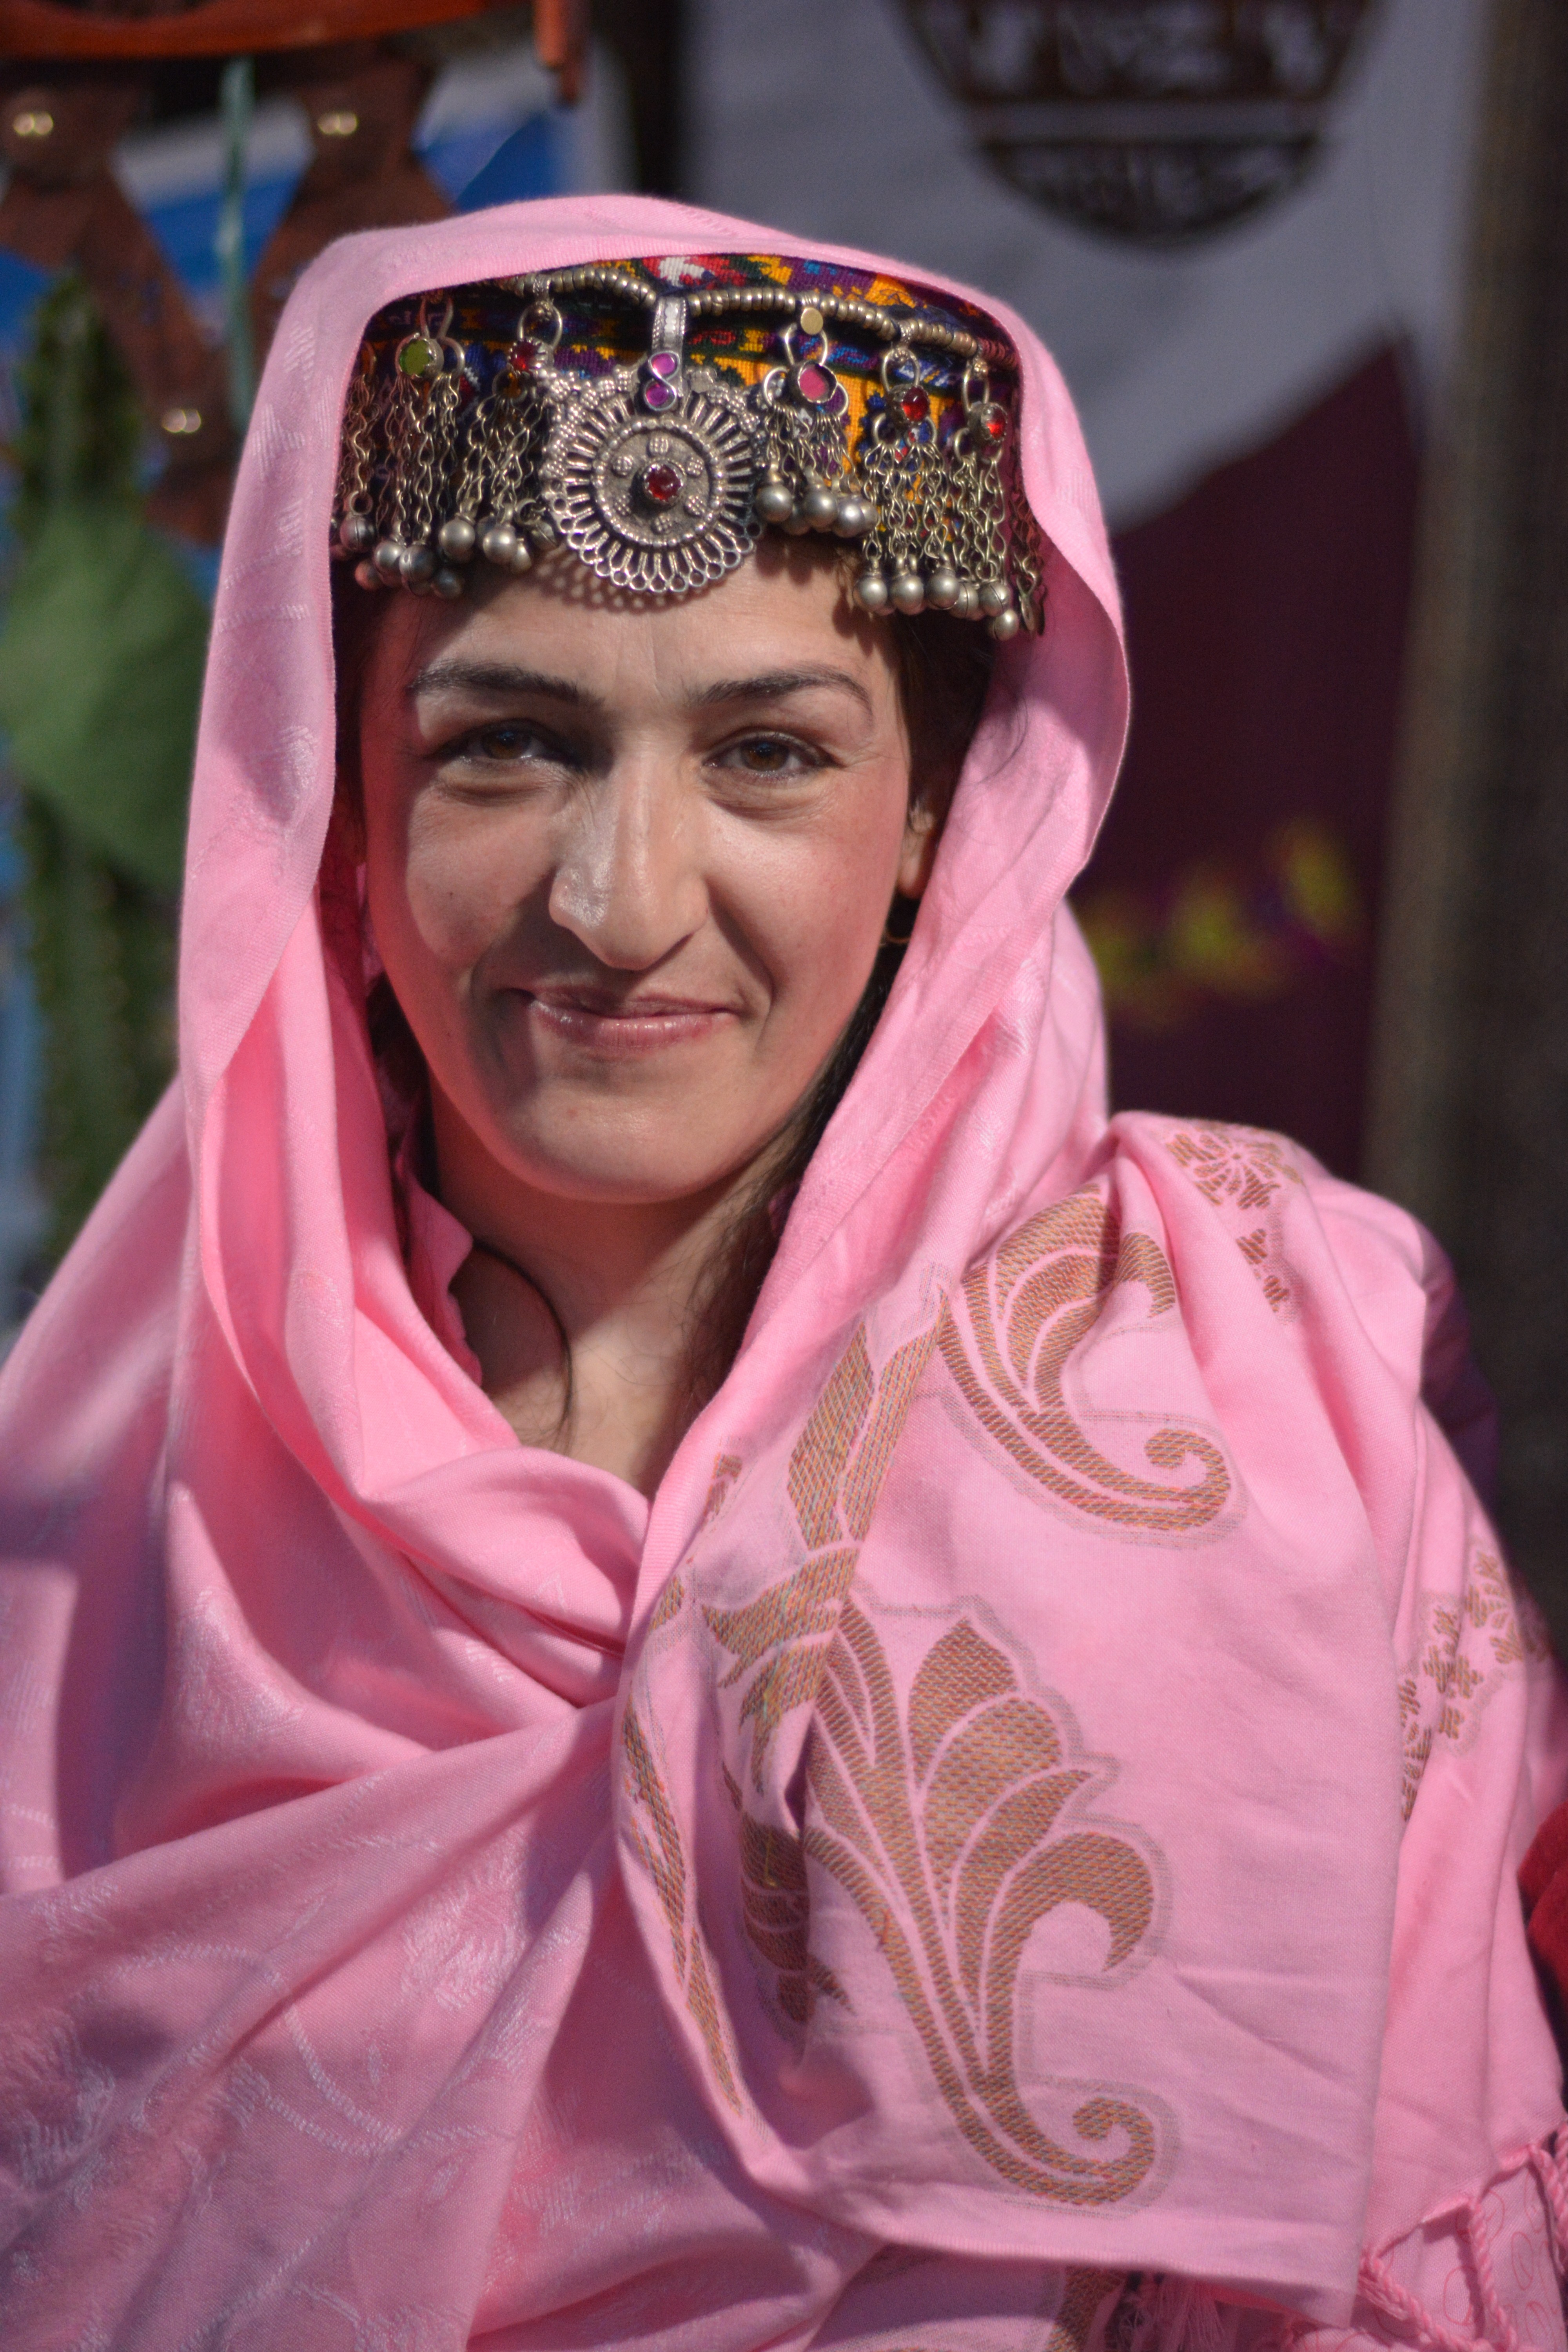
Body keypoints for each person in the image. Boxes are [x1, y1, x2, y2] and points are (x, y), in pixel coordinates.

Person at [0, 194, 1563, 2352]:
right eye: (506, 744)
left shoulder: (1246, 1382)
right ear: (338, 799)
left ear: (940, 804)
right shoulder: (94, 1542)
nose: (623, 898)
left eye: (767, 754)